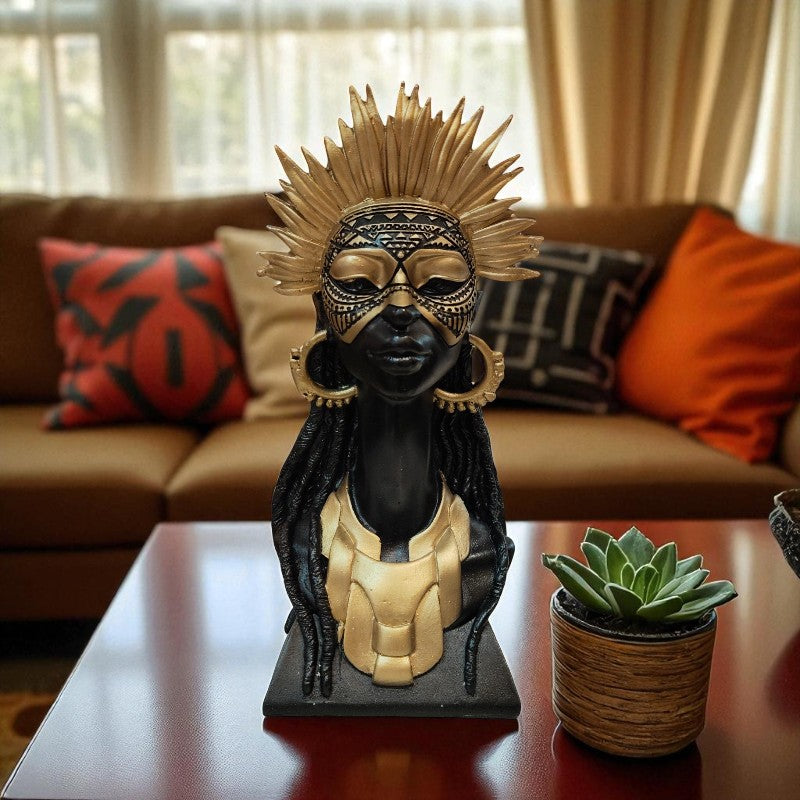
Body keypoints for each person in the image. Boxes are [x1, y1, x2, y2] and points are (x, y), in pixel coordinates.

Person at [260, 84, 541, 698]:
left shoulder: (478, 547)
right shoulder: (311, 544)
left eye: (439, 283)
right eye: (360, 283)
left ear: (473, 310)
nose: (401, 308)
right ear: (322, 310)